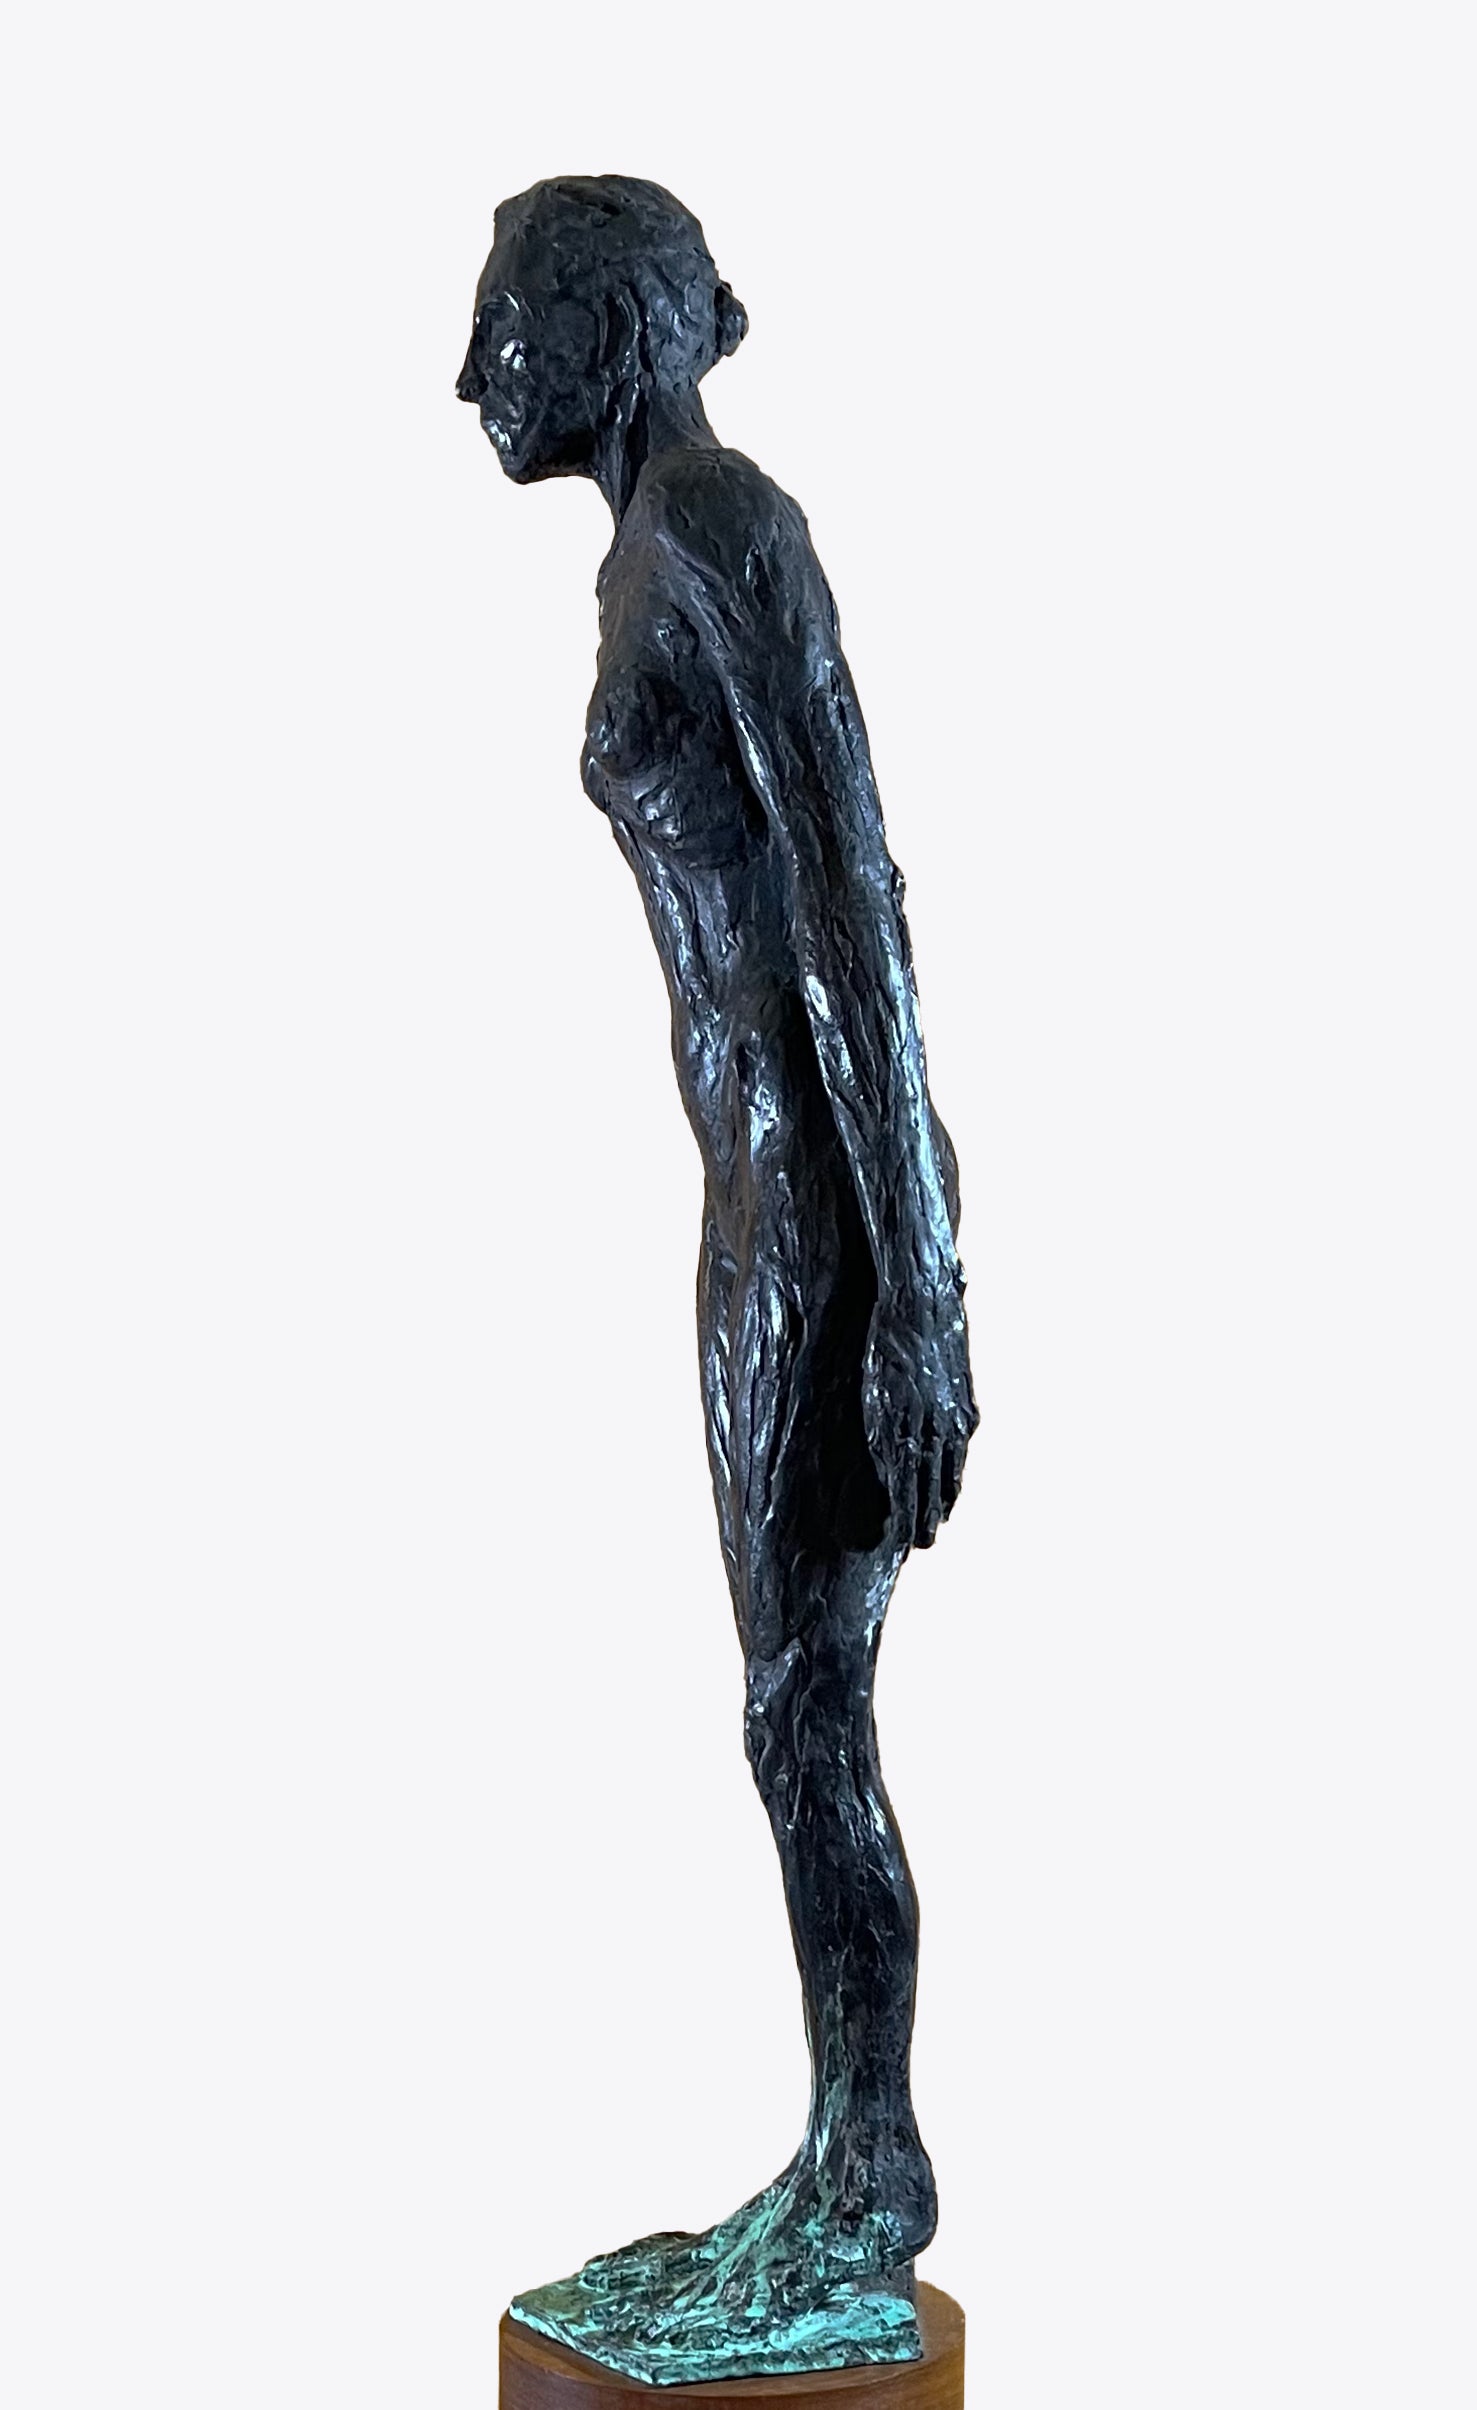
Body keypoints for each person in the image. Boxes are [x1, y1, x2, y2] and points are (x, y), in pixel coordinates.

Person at [458, 176, 977, 2383]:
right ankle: (841, 2155)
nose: (469, 377)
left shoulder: (723, 527)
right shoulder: (645, 553)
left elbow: (851, 884)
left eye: (504, 322)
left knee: (802, 1706)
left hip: (825, 1207)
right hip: (757, 1198)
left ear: (606, 328)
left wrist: (919, 1282)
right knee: (788, 1709)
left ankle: (865, 2174)